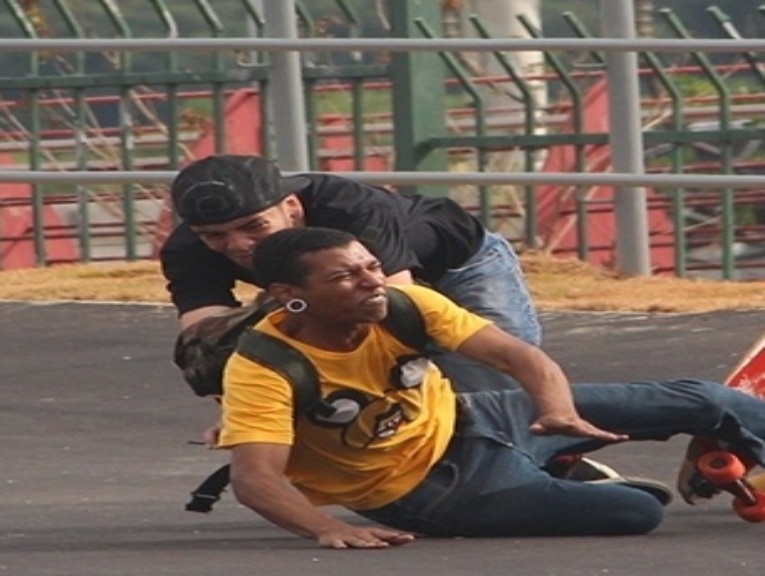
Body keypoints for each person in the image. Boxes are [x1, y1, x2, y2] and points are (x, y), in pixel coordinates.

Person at [215, 226, 765, 548]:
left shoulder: (404, 306)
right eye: (344, 277)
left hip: (485, 417)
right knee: (635, 513)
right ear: (291, 294)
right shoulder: (264, 366)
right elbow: (256, 479)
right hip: (430, 491)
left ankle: (559, 462)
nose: (371, 282)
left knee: (706, 400)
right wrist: (328, 529)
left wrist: (555, 412)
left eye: (372, 266)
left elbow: (517, 355)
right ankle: (561, 482)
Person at [160, 153, 538, 393]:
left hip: (458, 267)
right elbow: (206, 345)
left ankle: (548, 452)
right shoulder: (187, 248)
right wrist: (243, 411)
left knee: (485, 376)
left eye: (254, 226)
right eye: (215, 236)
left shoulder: (352, 209)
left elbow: (395, 312)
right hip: (331, 290)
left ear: (291, 207)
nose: (238, 245)